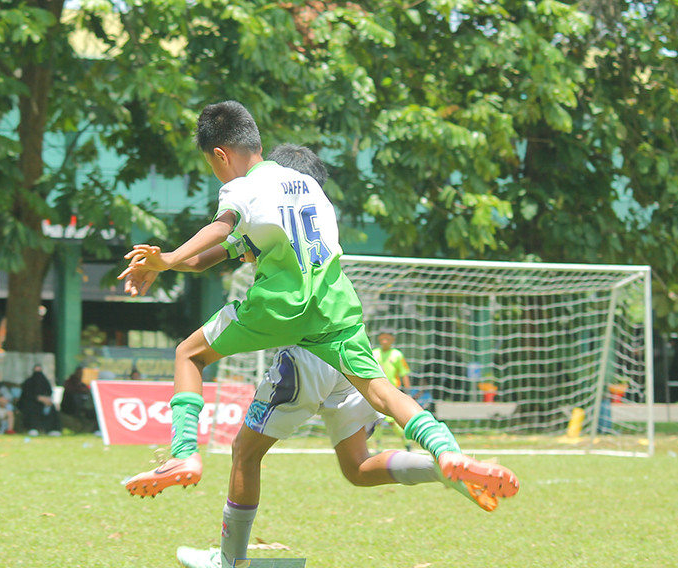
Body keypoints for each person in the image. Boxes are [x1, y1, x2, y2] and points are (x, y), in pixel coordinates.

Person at [118, 101, 519, 504]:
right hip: (334, 307)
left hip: (280, 309)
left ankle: (185, 455)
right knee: (383, 392)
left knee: (189, 355)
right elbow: (216, 255)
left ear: (220, 155)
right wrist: (171, 265)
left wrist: (166, 260)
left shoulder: (243, 188)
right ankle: (446, 450)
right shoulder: (309, 188)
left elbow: (219, 228)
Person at [174, 345, 500, 568]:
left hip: (307, 357)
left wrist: (176, 260)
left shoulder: (274, 266)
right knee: (357, 466)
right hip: (351, 353)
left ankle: (229, 562)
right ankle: (440, 469)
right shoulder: (331, 263)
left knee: (246, 452)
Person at [373, 330, 414, 449]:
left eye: (387, 338)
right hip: (377, 390)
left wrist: (408, 392)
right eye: (382, 339)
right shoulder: (374, 353)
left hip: (392, 391)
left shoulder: (397, 355)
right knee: (377, 420)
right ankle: (378, 447)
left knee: (392, 421)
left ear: (392, 340)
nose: (384, 341)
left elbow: (404, 373)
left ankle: (406, 442)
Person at [18, 364, 62, 436]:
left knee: (52, 408)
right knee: (33, 407)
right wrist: (38, 398)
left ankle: (52, 429)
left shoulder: (45, 382)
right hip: (30, 403)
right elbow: (26, 395)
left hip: (44, 403)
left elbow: (49, 392)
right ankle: (33, 428)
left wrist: (46, 400)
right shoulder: (28, 382)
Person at [60, 365, 97, 432]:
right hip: (69, 409)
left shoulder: (81, 383)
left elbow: (86, 389)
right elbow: (71, 391)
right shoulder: (70, 382)